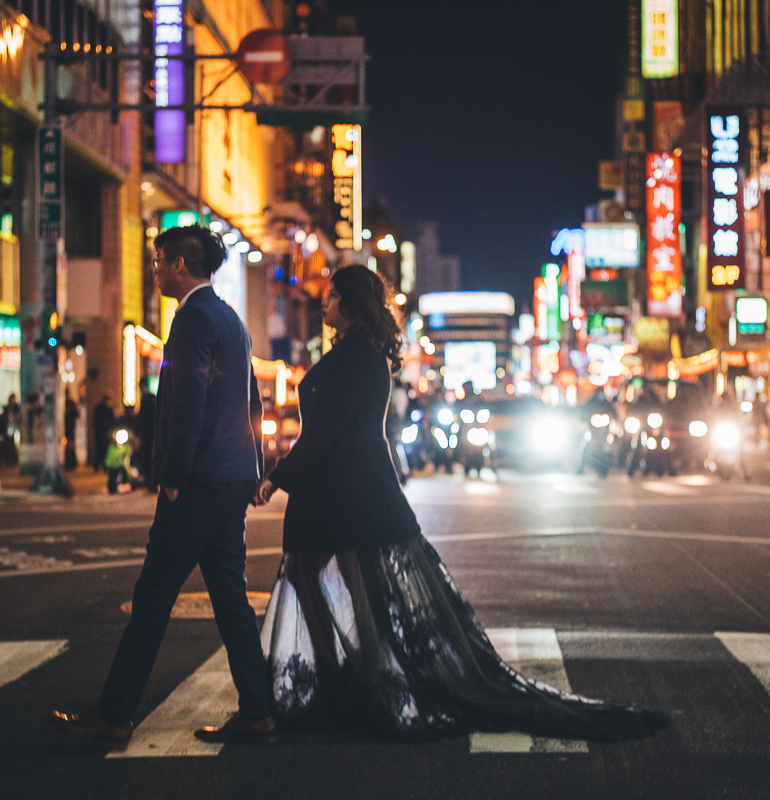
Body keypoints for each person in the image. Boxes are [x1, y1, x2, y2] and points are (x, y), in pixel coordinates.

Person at [253, 265, 667, 742]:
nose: (323, 304)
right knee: (322, 577)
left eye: (331, 297)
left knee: (358, 583)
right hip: (334, 488)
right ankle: (345, 676)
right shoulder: (353, 354)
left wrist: (278, 476)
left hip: (349, 489)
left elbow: (324, 432)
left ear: (351, 303)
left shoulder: (357, 358)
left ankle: (369, 680)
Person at [49, 224, 272, 746]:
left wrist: (172, 478)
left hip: (196, 485)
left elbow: (187, 403)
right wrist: (253, 467)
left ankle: (114, 716)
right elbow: (251, 404)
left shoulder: (193, 318)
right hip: (230, 478)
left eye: (157, 262)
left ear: (178, 265)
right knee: (229, 596)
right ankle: (259, 711)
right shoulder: (229, 318)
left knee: (152, 598)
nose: (153, 271)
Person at [92, 394, 116, 472]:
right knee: (101, 450)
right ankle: (99, 466)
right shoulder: (102, 409)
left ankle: (103, 466)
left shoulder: (107, 409)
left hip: (105, 432)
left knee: (104, 450)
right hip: (102, 432)